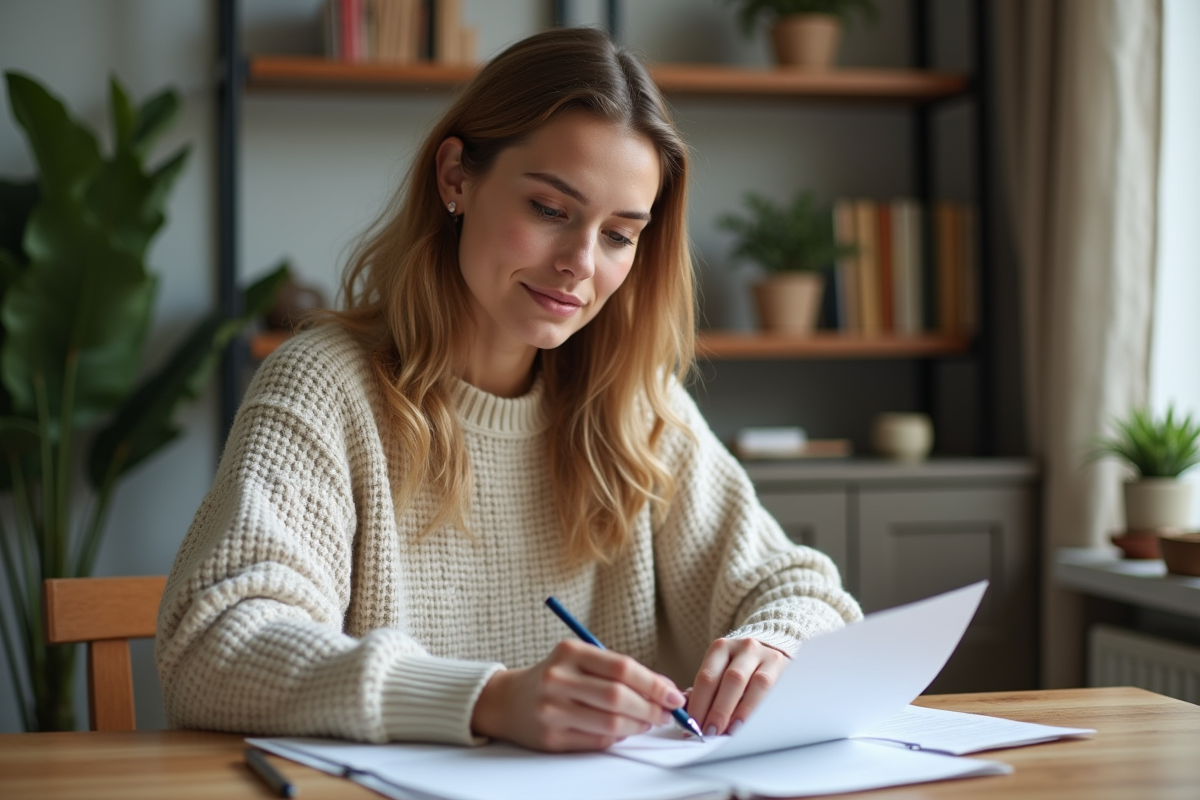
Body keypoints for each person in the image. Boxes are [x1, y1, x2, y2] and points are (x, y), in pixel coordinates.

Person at [155, 26, 861, 753]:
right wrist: (486, 700)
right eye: (550, 211)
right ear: (456, 177)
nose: (579, 265)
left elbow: (800, 588)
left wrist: (774, 645)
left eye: (619, 235)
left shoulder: (632, 404)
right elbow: (213, 646)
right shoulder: (324, 387)